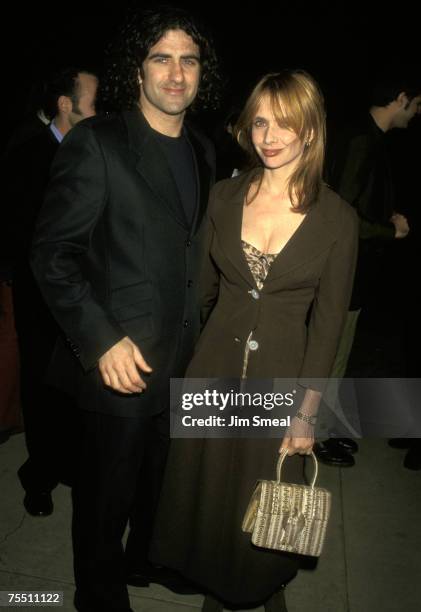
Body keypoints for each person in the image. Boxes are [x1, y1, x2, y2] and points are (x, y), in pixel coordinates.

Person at [31, 6, 219, 612]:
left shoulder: (203, 150)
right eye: (160, 58)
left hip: (183, 361)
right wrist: (101, 339)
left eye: (188, 59)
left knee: (159, 487)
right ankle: (100, 595)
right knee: (104, 499)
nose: (175, 73)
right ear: (137, 71)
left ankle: (146, 562)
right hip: (120, 363)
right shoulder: (100, 142)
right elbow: (52, 255)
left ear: (200, 73)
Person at [150, 70, 358, 611]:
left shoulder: (337, 218)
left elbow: (329, 323)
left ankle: (262, 592)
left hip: (282, 380)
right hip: (213, 371)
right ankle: (216, 593)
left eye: (285, 123)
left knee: (264, 505)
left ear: (310, 131)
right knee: (207, 498)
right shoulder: (223, 196)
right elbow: (199, 293)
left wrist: (308, 411)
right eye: (261, 121)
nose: (269, 135)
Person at [2, 67, 98, 515]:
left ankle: (73, 467)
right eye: (93, 101)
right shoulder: (27, 156)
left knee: (75, 389)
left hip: (82, 297)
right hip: (40, 299)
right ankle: (38, 478)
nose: (100, 111)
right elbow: (22, 235)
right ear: (66, 105)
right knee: (41, 388)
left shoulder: (93, 152)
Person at [316, 70, 421, 466]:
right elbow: (342, 213)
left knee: (335, 357)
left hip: (353, 273)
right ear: (400, 98)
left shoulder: (368, 137)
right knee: (330, 356)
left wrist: (384, 213)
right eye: (416, 105)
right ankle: (315, 436)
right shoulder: (361, 139)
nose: (417, 113)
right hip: (344, 273)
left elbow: (357, 201)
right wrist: (387, 231)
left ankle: (322, 430)